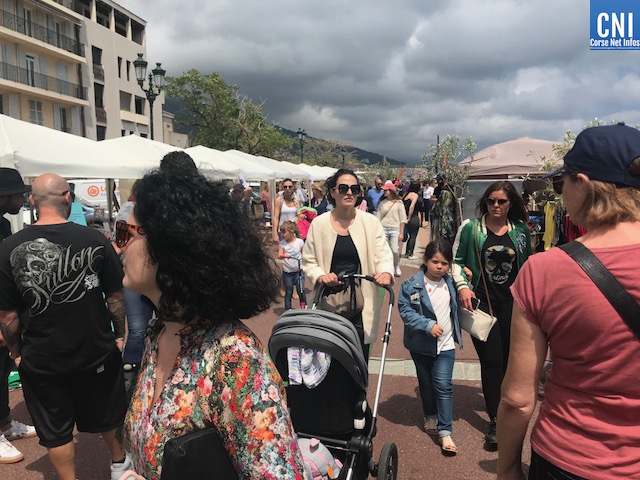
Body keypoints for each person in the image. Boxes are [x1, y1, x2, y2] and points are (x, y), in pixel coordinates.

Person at [116, 168, 305, 480]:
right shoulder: (159, 334)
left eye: (126, 232)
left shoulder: (235, 361)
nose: (119, 245)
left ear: (170, 246)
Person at [497, 123, 640, 480]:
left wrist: (508, 468)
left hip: (571, 455)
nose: (560, 196)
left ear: (584, 184)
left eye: (561, 184)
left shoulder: (546, 270)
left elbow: (517, 400)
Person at [0, 173, 129, 480]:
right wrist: (120, 335)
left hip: (41, 357)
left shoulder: (7, 248)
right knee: (108, 414)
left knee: (56, 431)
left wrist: (17, 353)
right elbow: (115, 296)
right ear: (68, 198)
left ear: (32, 201)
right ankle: (120, 467)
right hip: (96, 350)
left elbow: (7, 316)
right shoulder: (95, 239)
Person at [452, 180, 531, 449]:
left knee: (511, 360)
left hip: (514, 305)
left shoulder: (520, 230)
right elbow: (456, 262)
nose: (496, 205)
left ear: (511, 204)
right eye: (491, 201)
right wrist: (462, 285)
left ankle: (509, 409)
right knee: (492, 361)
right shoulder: (471, 228)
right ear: (484, 202)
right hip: (482, 303)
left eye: (501, 201)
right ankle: (497, 420)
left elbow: (527, 265)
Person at [302, 169, 394, 359]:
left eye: (354, 189)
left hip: (360, 302)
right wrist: (320, 275)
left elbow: (383, 253)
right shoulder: (319, 224)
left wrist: (385, 272)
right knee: (328, 359)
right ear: (333, 192)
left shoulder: (370, 222)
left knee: (358, 359)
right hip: (328, 302)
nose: (349, 193)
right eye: (343, 188)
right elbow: (309, 260)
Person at [398, 240, 462, 455]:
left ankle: (445, 432)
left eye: (444, 263)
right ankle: (430, 415)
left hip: (446, 346)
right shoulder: (411, 285)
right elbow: (405, 311)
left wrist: (467, 281)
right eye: (435, 262)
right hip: (421, 346)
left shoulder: (451, 283)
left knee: (443, 386)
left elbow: (465, 294)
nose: (439, 267)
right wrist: (427, 325)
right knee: (426, 384)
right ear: (425, 261)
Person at [0, 168, 36, 465]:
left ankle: (5, 424)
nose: (23, 199)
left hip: (5, 309)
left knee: (2, 370)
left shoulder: (2, 224)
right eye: (18, 194)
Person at [376, 181, 407, 277]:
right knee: (383, 249)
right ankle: (384, 267)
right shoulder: (382, 202)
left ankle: (396, 265)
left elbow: (403, 219)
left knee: (394, 250)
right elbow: (378, 217)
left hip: (394, 228)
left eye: (386, 190)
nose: (384, 192)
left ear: (391, 191)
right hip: (383, 228)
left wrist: (401, 232)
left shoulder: (399, 203)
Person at [278, 221, 307, 311]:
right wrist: (285, 255)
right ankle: (288, 309)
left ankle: (304, 307)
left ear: (291, 232)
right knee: (289, 291)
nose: (282, 235)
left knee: (301, 290)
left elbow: (305, 254)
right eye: (281, 232)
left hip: (299, 272)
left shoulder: (299, 242)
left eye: (284, 232)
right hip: (288, 272)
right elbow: (279, 255)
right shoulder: (282, 243)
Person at [272, 178, 301, 243]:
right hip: (282, 232)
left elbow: (299, 215)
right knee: (283, 249)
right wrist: (275, 233)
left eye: (290, 187)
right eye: (285, 187)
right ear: (283, 188)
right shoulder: (279, 200)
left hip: (294, 232)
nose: (288, 189)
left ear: (293, 187)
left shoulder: (297, 200)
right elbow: (276, 217)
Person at [431, 175, 458, 244]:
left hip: (444, 216)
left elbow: (442, 205)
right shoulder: (451, 191)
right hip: (448, 216)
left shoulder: (444, 192)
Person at [402, 181, 422, 259]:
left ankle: (407, 252)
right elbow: (411, 207)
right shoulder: (415, 195)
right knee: (413, 236)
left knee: (409, 235)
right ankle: (410, 253)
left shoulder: (406, 195)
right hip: (413, 217)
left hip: (404, 216)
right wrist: (409, 217)